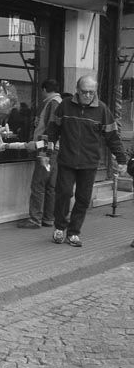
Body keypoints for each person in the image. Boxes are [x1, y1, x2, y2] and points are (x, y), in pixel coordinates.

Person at [47, 75, 128, 247]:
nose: (88, 96)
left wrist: (121, 159)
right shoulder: (65, 106)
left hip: (89, 162)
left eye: (92, 92)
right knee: (64, 193)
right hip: (67, 160)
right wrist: (45, 152)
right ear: (77, 90)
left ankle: (74, 232)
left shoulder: (102, 110)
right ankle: (60, 227)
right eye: (84, 92)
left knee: (83, 198)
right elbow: (52, 130)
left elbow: (112, 137)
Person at [17, 79, 62, 229]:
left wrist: (37, 145)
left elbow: (50, 131)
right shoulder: (60, 102)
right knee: (50, 186)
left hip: (46, 151)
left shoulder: (52, 104)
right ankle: (49, 218)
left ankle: (35, 219)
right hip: (54, 149)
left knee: (38, 184)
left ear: (44, 89)